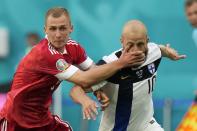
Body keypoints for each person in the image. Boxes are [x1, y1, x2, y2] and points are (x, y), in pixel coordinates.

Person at [0, 7, 146, 131]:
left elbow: (93, 70)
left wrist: (97, 90)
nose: (58, 34)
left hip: (41, 118)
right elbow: (85, 79)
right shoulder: (45, 54)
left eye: (62, 28)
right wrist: (121, 62)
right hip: (16, 120)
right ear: (45, 30)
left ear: (71, 28)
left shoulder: (74, 47)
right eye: (53, 29)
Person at [70, 20, 186, 131]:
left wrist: (169, 52)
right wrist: (85, 101)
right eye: (130, 45)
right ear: (122, 42)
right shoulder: (109, 65)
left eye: (140, 44)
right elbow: (76, 90)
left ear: (147, 41)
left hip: (146, 125)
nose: (136, 50)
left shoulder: (153, 51)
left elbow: (160, 49)